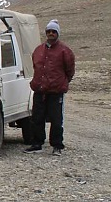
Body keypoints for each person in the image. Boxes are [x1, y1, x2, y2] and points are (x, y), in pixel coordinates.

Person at [24, 19, 76, 155]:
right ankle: (37, 144)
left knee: (56, 119)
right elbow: (35, 66)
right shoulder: (38, 50)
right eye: (49, 31)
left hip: (56, 91)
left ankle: (57, 145)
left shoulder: (65, 51)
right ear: (46, 33)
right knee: (37, 118)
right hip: (40, 90)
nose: (51, 33)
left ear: (58, 33)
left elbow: (70, 70)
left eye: (54, 31)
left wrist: (62, 82)